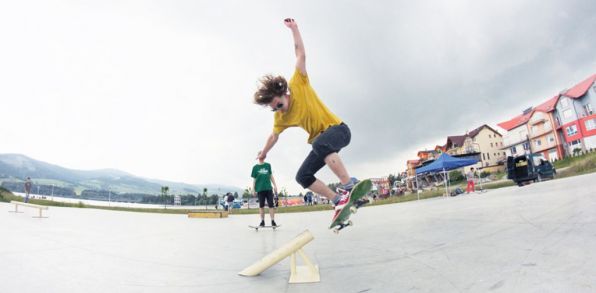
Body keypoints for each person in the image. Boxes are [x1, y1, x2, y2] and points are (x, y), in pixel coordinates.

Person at [253, 18, 365, 223]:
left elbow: (300, 54)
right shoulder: (281, 117)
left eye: (279, 104)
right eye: (274, 109)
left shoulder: (298, 82)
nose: (279, 109)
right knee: (302, 176)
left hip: (339, 131)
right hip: (323, 144)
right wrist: (263, 153)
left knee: (319, 142)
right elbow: (274, 135)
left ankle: (349, 185)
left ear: (283, 93)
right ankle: (339, 200)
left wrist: (294, 29)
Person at [251, 157, 278, 227]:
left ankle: (273, 221)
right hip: (260, 189)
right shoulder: (255, 167)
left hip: (268, 188)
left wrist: (275, 185)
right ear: (257, 156)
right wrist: (253, 189)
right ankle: (262, 221)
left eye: (262, 154)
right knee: (261, 206)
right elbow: (254, 179)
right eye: (259, 154)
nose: (261, 156)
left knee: (271, 205)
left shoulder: (268, 165)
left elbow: (271, 176)